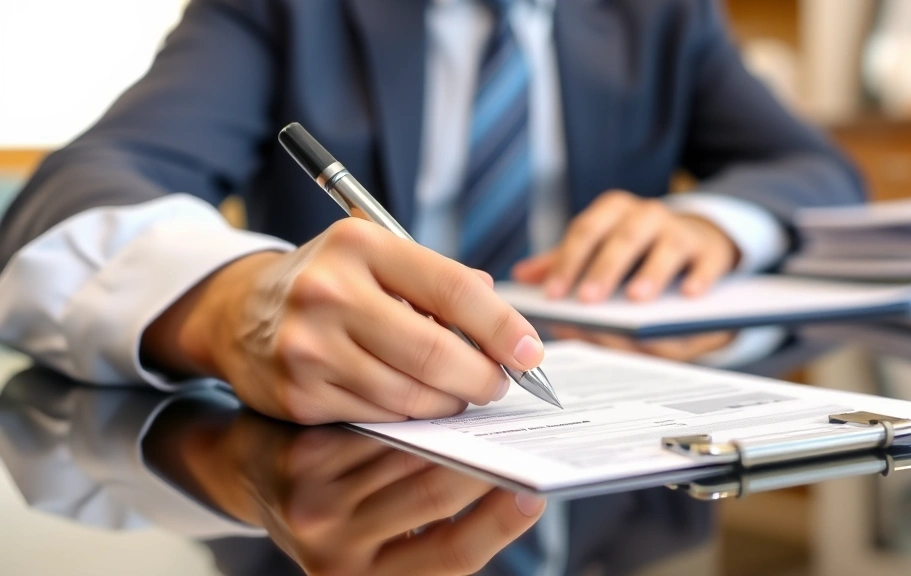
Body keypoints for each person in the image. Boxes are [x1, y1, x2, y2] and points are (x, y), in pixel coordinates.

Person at [0, 0, 863, 425]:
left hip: (615, 407)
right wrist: (232, 303)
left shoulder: (660, 15)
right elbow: (75, 193)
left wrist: (714, 221)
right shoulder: (283, 11)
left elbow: (816, 168)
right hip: (330, 447)